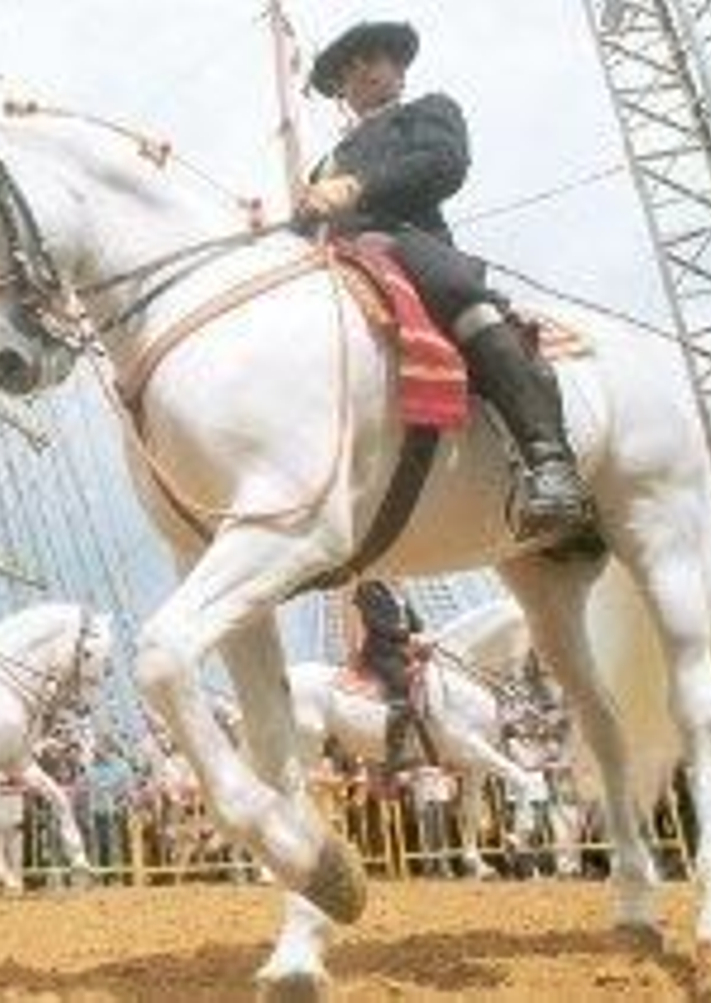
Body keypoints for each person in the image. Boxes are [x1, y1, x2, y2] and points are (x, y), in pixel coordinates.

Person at [299, 21, 591, 541]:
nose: (359, 71)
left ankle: (549, 460)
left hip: (405, 243)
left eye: (372, 58)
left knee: (461, 299)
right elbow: (307, 223)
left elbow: (444, 164)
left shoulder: (428, 111)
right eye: (347, 69)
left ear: (398, 69)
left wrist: (358, 186)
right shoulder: (323, 162)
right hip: (331, 260)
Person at [353, 577, 432, 780]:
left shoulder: (398, 587)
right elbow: (375, 623)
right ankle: (396, 755)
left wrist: (423, 634)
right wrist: (406, 636)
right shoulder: (367, 588)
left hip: (404, 652)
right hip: (381, 653)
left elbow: (415, 622)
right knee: (403, 687)